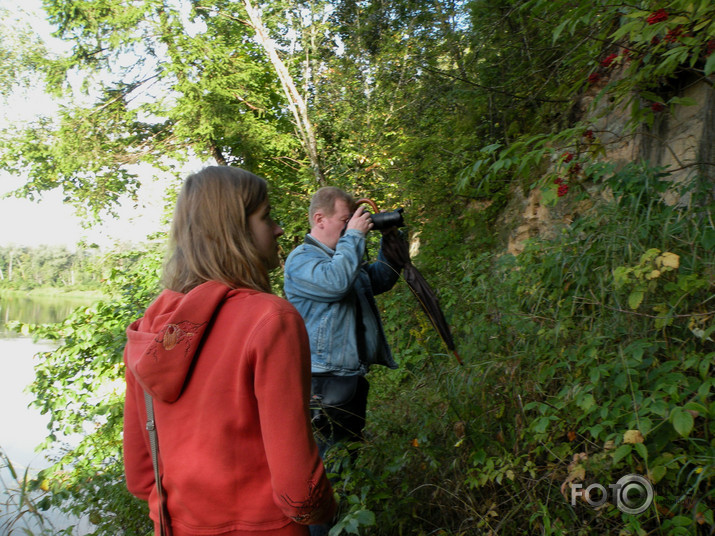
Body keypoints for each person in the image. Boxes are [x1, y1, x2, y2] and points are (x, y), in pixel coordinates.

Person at [123, 166, 337, 536]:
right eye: (265, 216)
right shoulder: (270, 319)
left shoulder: (152, 326)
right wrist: (328, 510)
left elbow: (142, 478)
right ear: (233, 228)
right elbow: (300, 492)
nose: (278, 229)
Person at [283, 187, 401, 461]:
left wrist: (391, 238)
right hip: (323, 380)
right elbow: (336, 284)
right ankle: (336, 505)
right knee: (333, 460)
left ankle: (348, 503)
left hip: (347, 375)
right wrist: (355, 236)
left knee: (350, 453)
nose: (350, 227)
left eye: (351, 221)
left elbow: (381, 278)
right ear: (320, 218)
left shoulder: (342, 259)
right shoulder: (301, 259)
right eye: (345, 220)